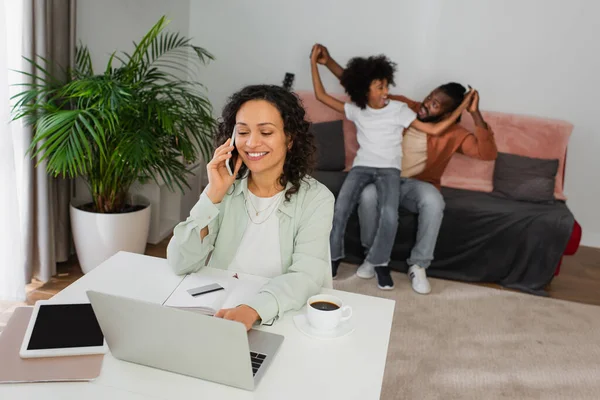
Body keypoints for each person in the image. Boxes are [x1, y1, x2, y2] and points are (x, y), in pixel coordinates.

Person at [314, 44, 497, 295]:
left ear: (448, 114)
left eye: (436, 105)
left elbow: (487, 154)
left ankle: (419, 265)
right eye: (430, 97)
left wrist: (475, 115)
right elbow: (362, 85)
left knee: (434, 201)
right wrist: (328, 62)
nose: (427, 104)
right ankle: (371, 257)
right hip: (383, 174)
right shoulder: (403, 106)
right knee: (367, 197)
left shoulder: (454, 133)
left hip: (416, 184)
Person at [167, 85, 335, 330]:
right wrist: (213, 194)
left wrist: (254, 310)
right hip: (220, 309)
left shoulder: (317, 198)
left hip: (280, 312)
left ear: (290, 138)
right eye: (243, 132)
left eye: (266, 132)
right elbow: (180, 262)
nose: (252, 143)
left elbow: (306, 276)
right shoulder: (225, 187)